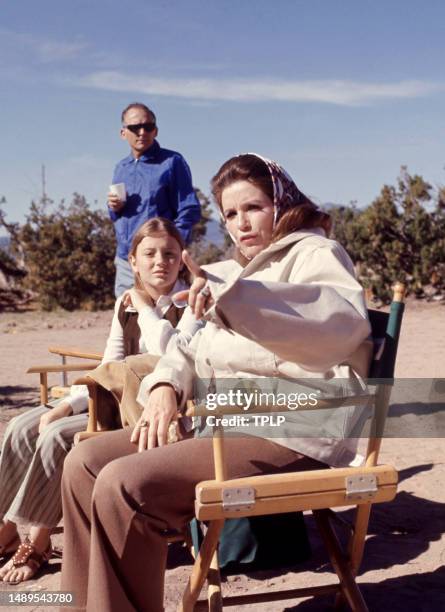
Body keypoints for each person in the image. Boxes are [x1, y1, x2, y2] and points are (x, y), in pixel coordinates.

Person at [60, 154, 373, 612]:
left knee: (124, 484)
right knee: (84, 462)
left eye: (253, 207)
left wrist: (237, 300)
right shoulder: (241, 267)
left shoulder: (316, 254)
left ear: (281, 202)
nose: (241, 223)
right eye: (230, 213)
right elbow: (189, 348)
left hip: (291, 429)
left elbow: (337, 325)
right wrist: (165, 387)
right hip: (225, 421)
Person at [0, 218, 202, 585]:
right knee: (20, 426)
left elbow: (174, 355)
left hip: (150, 411)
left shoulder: (189, 302)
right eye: (150, 254)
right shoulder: (123, 305)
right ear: (133, 261)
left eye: (170, 254)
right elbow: (107, 366)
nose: (161, 262)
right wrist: (69, 404)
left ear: (181, 259)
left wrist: (146, 307)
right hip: (110, 398)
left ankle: (40, 540)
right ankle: (6, 526)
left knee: (57, 436)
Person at [108, 102, 201, 297]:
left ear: (155, 131)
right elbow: (117, 216)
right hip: (127, 261)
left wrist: (172, 249)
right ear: (123, 133)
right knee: (128, 320)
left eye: (148, 127)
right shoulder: (121, 168)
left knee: (165, 321)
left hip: (159, 262)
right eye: (135, 127)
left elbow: (189, 209)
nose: (142, 132)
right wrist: (114, 207)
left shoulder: (172, 162)